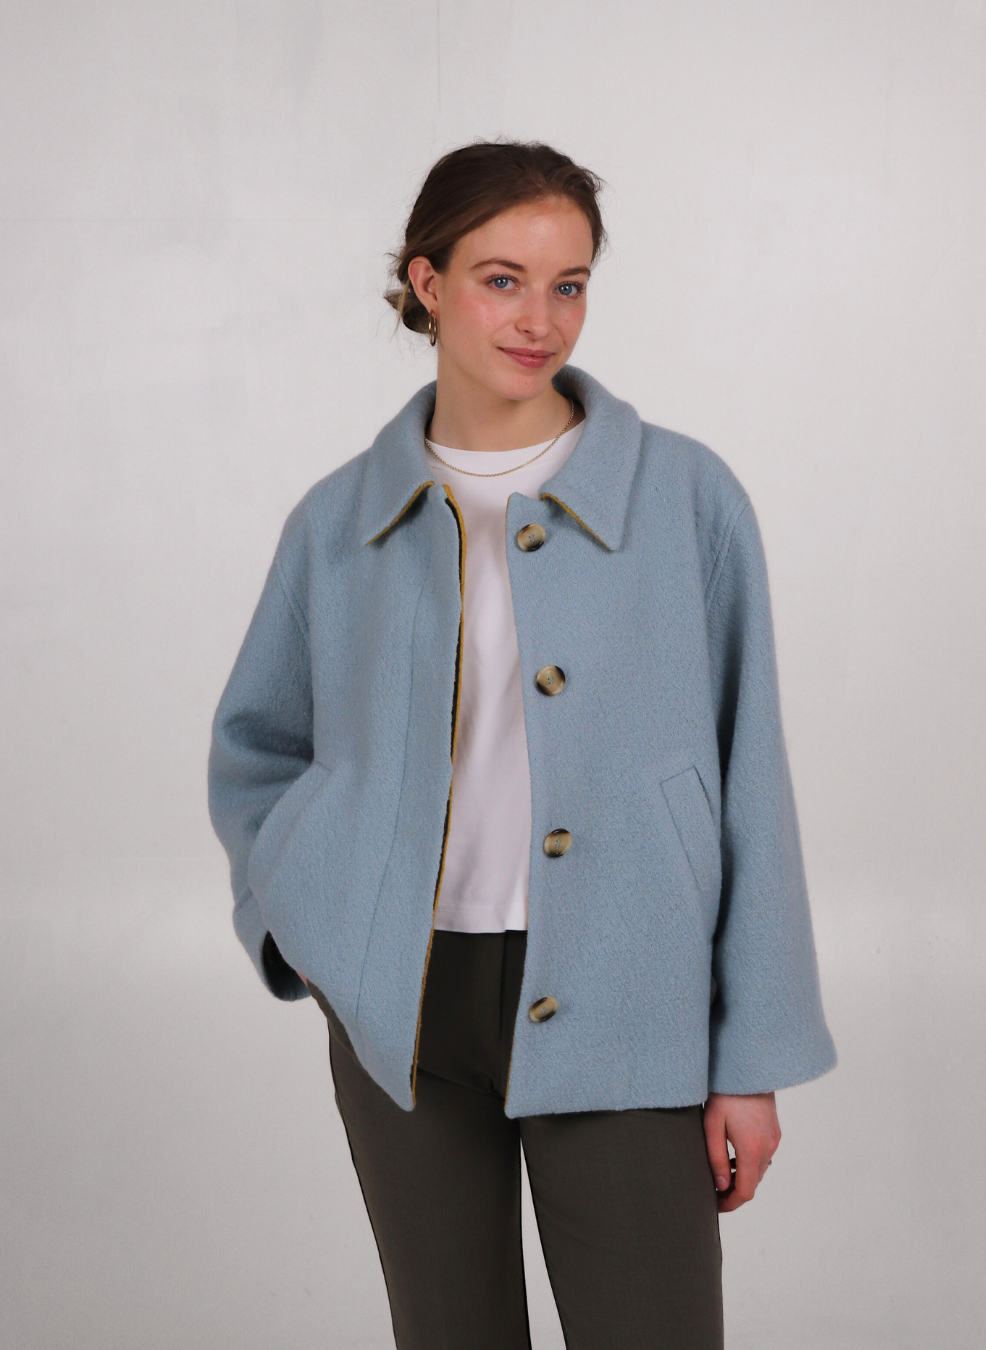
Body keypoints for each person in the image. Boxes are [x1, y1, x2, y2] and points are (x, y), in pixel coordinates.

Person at [208, 139, 836, 1349]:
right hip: (406, 1010)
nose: (540, 319)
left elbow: (750, 777)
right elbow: (259, 746)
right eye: (502, 280)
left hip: (628, 996)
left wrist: (749, 1056)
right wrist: (304, 925)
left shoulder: (686, 499)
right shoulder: (338, 521)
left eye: (569, 284)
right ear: (428, 283)